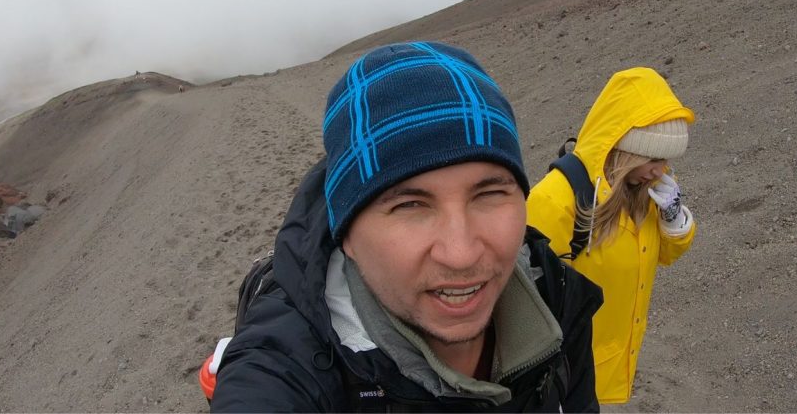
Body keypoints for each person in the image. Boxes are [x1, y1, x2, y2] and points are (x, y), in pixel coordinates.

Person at [211, 41, 602, 412]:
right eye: (410, 205)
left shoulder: (556, 298)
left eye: (488, 195)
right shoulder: (282, 368)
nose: (461, 253)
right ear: (346, 234)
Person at [527, 67, 697, 405]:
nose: (661, 171)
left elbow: (663, 255)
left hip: (615, 365)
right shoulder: (555, 200)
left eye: (667, 161)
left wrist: (673, 216)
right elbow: (530, 308)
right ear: (625, 148)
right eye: (654, 158)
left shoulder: (643, 192)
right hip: (569, 379)